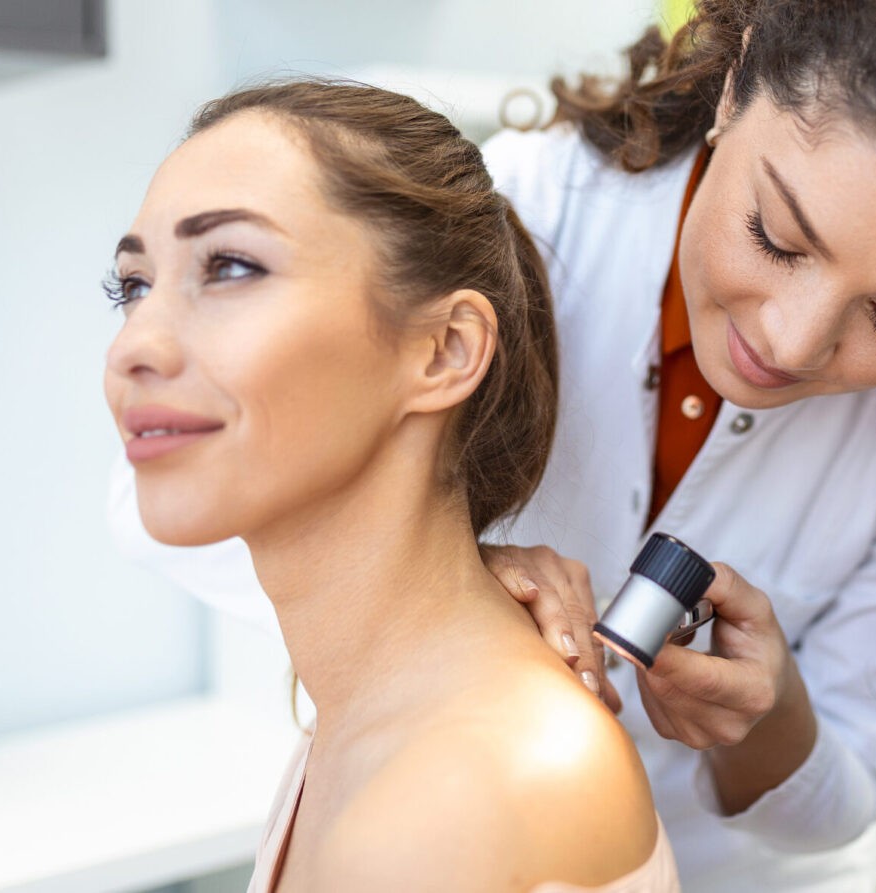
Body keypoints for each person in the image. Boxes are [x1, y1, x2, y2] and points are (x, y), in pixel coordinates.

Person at [108, 1, 876, 889]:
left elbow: (843, 798)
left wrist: (773, 722)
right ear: (737, 73)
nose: (789, 340)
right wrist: (434, 572)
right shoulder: (517, 235)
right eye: (775, 235)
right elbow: (180, 485)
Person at [102, 80, 678, 892]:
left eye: (230, 265)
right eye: (133, 286)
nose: (135, 345)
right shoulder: (362, 716)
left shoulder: (456, 801)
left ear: (444, 349)